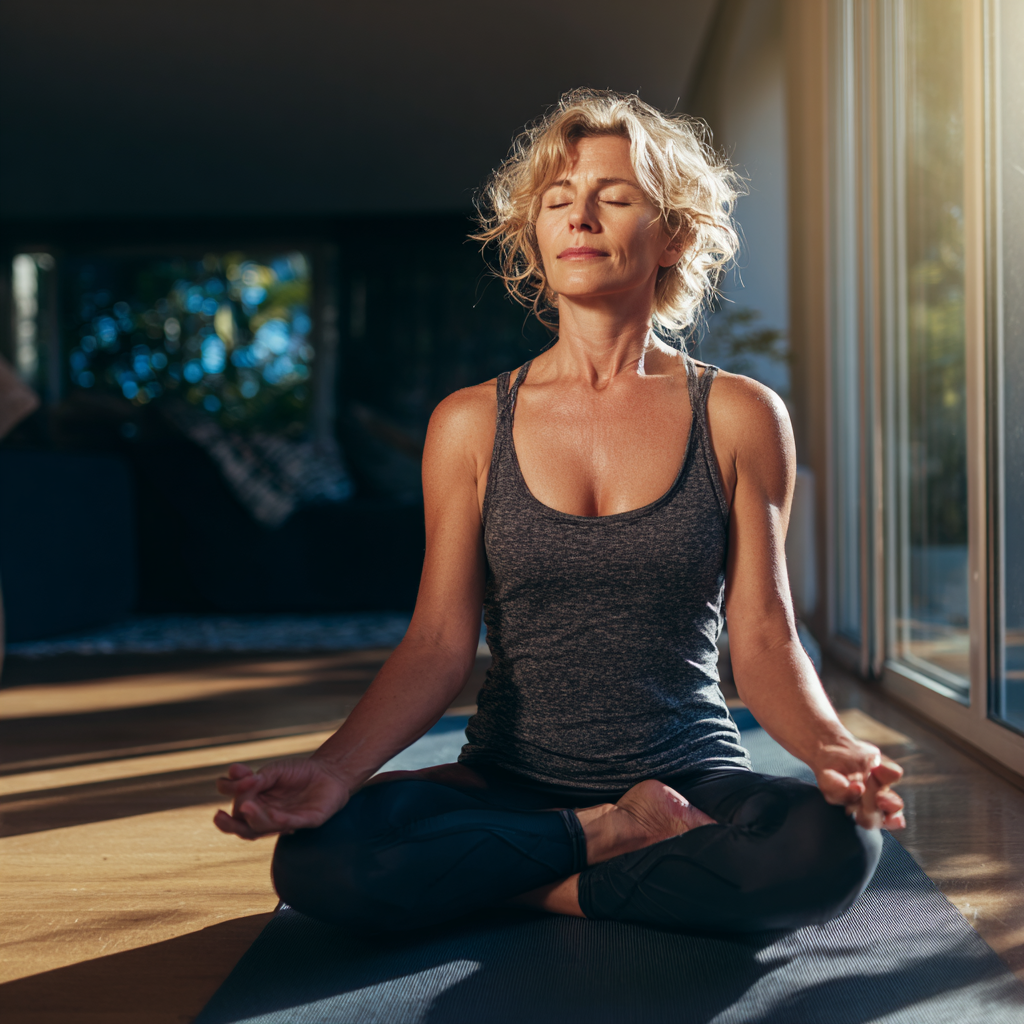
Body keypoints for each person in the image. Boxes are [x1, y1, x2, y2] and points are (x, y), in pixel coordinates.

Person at [215, 89, 904, 934]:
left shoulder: (738, 414)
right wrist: (332, 771)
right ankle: (611, 839)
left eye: (614, 197)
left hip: (691, 772)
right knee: (321, 858)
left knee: (833, 845)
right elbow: (436, 644)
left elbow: (762, 636)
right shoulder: (470, 424)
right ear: (533, 237)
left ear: (674, 235)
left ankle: (518, 884)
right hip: (510, 780)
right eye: (556, 200)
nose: (580, 216)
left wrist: (835, 752)